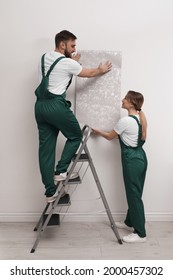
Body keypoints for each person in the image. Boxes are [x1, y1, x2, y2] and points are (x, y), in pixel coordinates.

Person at [34, 30, 112, 203]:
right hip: (55, 105)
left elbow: (56, 71)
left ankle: (50, 192)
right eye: (72, 45)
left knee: (45, 151)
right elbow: (89, 73)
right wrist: (101, 69)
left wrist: (70, 61)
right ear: (62, 44)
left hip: (40, 107)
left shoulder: (44, 57)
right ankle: (61, 171)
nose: (75, 48)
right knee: (76, 135)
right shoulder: (69, 64)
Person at [92, 90, 148, 243]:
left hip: (132, 160)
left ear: (131, 103)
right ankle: (129, 222)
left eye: (125, 98)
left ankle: (140, 233)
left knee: (133, 195)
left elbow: (111, 137)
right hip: (141, 158)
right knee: (135, 193)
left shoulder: (126, 121)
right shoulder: (139, 119)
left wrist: (98, 132)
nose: (122, 100)